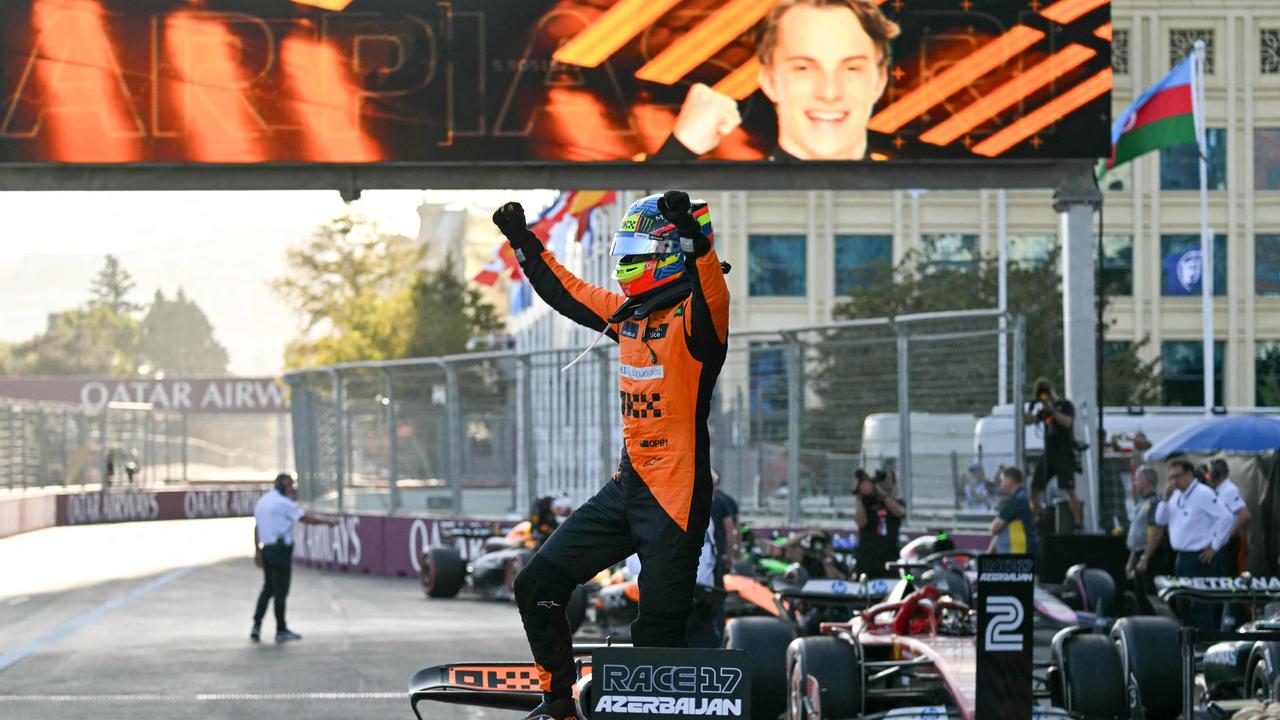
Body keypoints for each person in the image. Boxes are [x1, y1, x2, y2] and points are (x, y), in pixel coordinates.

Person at [492, 190, 729, 720]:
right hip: (627, 486)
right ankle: (558, 702)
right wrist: (524, 242)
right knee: (537, 584)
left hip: (676, 494)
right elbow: (567, 290)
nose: (626, 262)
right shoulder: (627, 316)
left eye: (637, 250)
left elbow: (713, 290)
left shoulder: (700, 317)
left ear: (667, 252)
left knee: (659, 630)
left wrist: (698, 246)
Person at [655, 0, 900, 161]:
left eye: (851, 68)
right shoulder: (716, 197)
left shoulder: (919, 198)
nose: (829, 92)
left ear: (880, 80)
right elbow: (637, 239)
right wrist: (677, 151)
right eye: (803, 68)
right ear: (769, 80)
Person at [251, 473, 337, 643]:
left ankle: (257, 625)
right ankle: (281, 629)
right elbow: (305, 518)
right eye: (290, 486)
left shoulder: (264, 501)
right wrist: (328, 522)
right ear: (282, 487)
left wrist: (257, 551)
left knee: (268, 589)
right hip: (280, 550)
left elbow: (256, 527)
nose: (293, 489)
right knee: (281, 591)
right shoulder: (284, 503)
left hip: (267, 549)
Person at [1152, 459, 1234, 632]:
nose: (1174, 481)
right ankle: (1189, 640)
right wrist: (1165, 500)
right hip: (1181, 556)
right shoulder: (1175, 495)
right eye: (1171, 477)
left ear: (1190, 474)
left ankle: (1204, 641)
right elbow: (1160, 520)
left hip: (1199, 556)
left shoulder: (1203, 493)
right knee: (1183, 603)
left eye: (1178, 476)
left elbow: (1226, 518)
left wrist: (1214, 546)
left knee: (1200, 605)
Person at [1025, 377, 1082, 528]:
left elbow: (1067, 422)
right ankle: (1039, 516)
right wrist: (1031, 408)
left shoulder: (1065, 405)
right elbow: (1031, 421)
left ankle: (1078, 521)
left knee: (1069, 490)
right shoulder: (1044, 411)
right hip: (1049, 454)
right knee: (1034, 488)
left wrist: (1052, 410)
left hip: (1063, 454)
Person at [854, 469, 905, 578]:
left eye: (888, 480)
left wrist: (883, 495)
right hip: (868, 555)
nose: (884, 483)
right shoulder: (866, 503)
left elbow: (900, 513)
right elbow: (861, 522)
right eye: (882, 481)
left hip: (889, 554)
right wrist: (859, 498)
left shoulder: (897, 502)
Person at [1125, 466, 1163, 610]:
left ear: (1148, 481)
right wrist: (1132, 559)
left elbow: (1156, 532)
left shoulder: (1154, 502)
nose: (1135, 483)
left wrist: (1145, 558)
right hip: (1139, 554)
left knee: (1149, 596)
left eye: (1138, 479)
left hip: (1150, 556)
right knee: (1139, 596)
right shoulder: (1141, 502)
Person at [989, 467, 1037, 556]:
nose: (1001, 485)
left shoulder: (1017, 501)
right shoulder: (1025, 496)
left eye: (1002, 481)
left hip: (1018, 553)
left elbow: (995, 527)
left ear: (1009, 480)